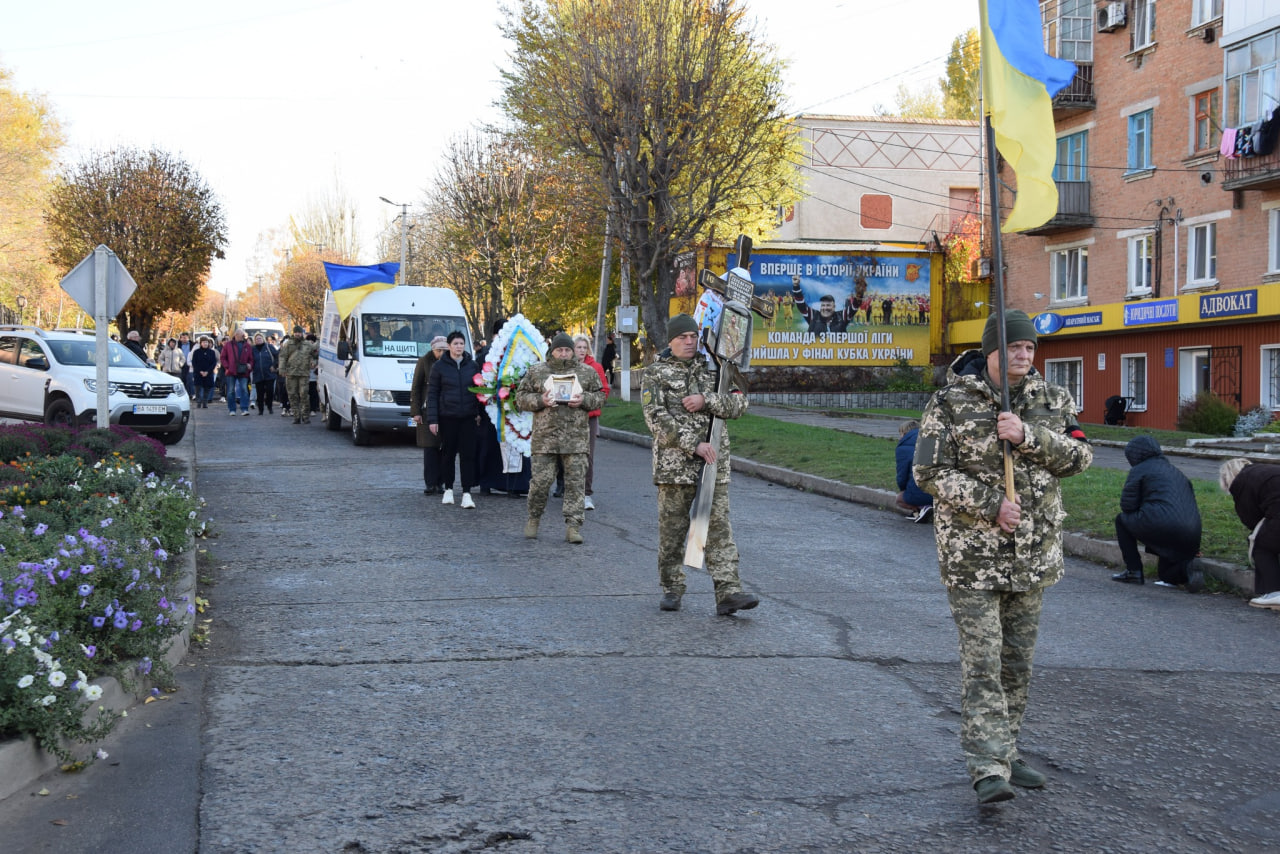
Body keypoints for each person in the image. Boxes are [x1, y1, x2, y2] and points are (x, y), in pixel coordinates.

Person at [913, 309, 1093, 804]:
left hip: (1033, 556)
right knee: (984, 660)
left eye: (1030, 348)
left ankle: (1007, 751)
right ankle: (986, 765)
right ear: (992, 350)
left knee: (1016, 662)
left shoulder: (1052, 399)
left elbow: (1081, 457)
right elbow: (927, 472)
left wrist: (1027, 436)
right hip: (973, 557)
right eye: (1014, 346)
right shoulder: (951, 401)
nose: (1023, 355)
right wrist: (991, 504)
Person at [641, 313, 758, 616]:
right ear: (670, 340)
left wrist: (706, 400)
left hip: (712, 465)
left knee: (717, 529)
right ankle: (672, 587)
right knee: (673, 532)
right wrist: (692, 445)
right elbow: (655, 417)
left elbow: (739, 402)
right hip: (674, 467)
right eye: (683, 337)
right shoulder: (656, 374)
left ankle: (728, 591)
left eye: (693, 336)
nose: (690, 341)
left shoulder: (715, 370)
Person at [515, 332, 606, 543]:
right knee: (540, 483)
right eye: (559, 350)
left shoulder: (586, 372)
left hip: (576, 440)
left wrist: (584, 400)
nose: (563, 354)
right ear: (552, 351)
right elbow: (520, 398)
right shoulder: (537, 371)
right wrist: (540, 400)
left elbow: (601, 395)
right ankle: (533, 519)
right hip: (545, 440)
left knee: (575, 485)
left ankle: (573, 526)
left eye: (567, 350)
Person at [1110, 436, 1204, 590]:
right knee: (1166, 577)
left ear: (1134, 455)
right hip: (1192, 531)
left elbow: (1128, 506)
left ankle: (1134, 571)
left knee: (1122, 520)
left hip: (1161, 524)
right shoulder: (1177, 472)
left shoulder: (1139, 470)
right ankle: (1186, 569)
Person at [428, 331, 480, 508]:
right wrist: (432, 419)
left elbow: (479, 391)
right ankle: (448, 489)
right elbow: (433, 394)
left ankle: (466, 493)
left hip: (468, 417)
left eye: (461, 343)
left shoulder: (472, 366)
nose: (459, 347)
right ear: (449, 346)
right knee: (448, 454)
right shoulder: (439, 367)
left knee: (468, 456)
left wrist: (479, 412)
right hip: (447, 417)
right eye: (456, 343)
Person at [1220, 458, 1280, 610]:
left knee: (1260, 544)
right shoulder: (1264, 470)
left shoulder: (1241, 483)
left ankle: (1274, 593)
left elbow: (1252, 521)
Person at [573, 334, 610, 510]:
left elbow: (604, 391)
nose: (581, 350)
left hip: (589, 417)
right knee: (570, 456)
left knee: (587, 456)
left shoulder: (595, 367)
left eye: (584, 347)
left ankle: (586, 494)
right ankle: (571, 491)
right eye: (578, 347)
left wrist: (587, 400)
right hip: (569, 417)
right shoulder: (566, 367)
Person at [411, 336, 448, 494]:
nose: (441, 353)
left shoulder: (450, 362)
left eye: (443, 350)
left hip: (446, 409)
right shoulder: (424, 361)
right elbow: (416, 387)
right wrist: (416, 411)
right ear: (432, 349)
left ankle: (441, 482)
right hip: (427, 410)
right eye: (438, 350)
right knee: (430, 448)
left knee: (444, 448)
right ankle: (430, 483)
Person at [895, 419, 933, 523]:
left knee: (899, 499)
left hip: (919, 489)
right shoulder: (931, 442)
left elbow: (902, 475)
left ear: (904, 433)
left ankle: (922, 508)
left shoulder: (903, 448)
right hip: (937, 490)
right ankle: (928, 508)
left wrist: (903, 489)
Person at [278, 325, 317, 425]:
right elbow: (282, 357)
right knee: (292, 395)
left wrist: (313, 362)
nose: (297, 334)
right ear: (293, 333)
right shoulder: (288, 344)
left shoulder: (308, 344)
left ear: (302, 333)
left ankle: (305, 416)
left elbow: (314, 355)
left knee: (304, 394)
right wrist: (282, 369)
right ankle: (296, 416)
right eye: (296, 332)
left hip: (304, 373)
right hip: (291, 373)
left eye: (299, 332)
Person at [219, 330, 254, 416]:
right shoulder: (228, 345)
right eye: (242, 335)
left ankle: (244, 408)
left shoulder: (247, 346)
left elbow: (251, 358)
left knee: (244, 390)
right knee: (230, 391)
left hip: (243, 371)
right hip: (231, 371)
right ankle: (232, 409)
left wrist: (250, 365)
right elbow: (223, 358)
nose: (243, 337)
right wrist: (227, 367)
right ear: (236, 335)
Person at [250, 333, 278, 415]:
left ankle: (270, 407)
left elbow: (277, 356)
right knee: (260, 393)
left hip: (269, 373)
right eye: (257, 339)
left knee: (270, 391)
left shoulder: (269, 347)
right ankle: (260, 409)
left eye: (260, 338)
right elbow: (250, 359)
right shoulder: (253, 349)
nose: (258, 340)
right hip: (258, 374)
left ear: (263, 339)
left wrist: (274, 366)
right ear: (255, 340)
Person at [189, 336, 218, 408]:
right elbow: (194, 363)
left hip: (208, 373)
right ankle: (198, 402)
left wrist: (208, 371)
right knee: (198, 388)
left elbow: (213, 363)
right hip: (198, 373)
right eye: (203, 342)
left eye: (206, 342)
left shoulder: (211, 352)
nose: (205, 344)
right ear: (200, 343)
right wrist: (200, 371)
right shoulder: (196, 352)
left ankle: (205, 402)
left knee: (207, 388)